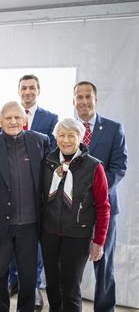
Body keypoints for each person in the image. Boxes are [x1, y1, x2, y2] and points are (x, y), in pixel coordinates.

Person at [0, 101, 50, 312]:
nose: (13, 121)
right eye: (8, 118)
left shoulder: (41, 141)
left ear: (25, 120)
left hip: (30, 225)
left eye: (17, 117)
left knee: (28, 278)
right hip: (1, 225)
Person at [41, 118, 110, 312]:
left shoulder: (94, 167)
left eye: (72, 135)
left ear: (81, 138)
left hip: (78, 235)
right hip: (50, 233)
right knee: (52, 285)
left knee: (70, 288)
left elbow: (104, 206)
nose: (66, 140)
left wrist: (99, 241)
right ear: (55, 138)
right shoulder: (48, 162)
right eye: (62, 135)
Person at [73, 81, 127, 312]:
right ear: (73, 101)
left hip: (105, 207)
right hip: (74, 209)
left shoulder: (114, 128)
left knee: (103, 263)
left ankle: (105, 309)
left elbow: (119, 167)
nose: (84, 101)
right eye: (79, 97)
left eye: (88, 96)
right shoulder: (68, 129)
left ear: (95, 99)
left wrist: (98, 193)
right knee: (71, 262)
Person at [8, 74, 58, 310]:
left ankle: (34, 286)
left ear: (38, 90)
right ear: (19, 91)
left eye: (32, 88)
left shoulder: (50, 118)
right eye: (23, 88)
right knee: (10, 239)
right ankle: (12, 281)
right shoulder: (11, 114)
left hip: (36, 191)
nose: (28, 92)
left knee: (32, 245)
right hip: (11, 191)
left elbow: (52, 155)